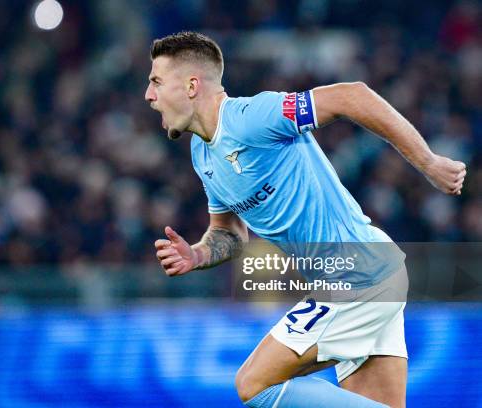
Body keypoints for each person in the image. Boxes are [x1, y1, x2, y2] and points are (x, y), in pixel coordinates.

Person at [146, 31, 466, 408]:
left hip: (358, 275)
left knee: (254, 384)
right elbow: (229, 233)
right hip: (362, 274)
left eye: (155, 82)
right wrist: (197, 255)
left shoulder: (251, 118)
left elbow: (352, 95)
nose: (149, 96)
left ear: (191, 85)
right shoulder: (203, 153)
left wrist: (428, 161)